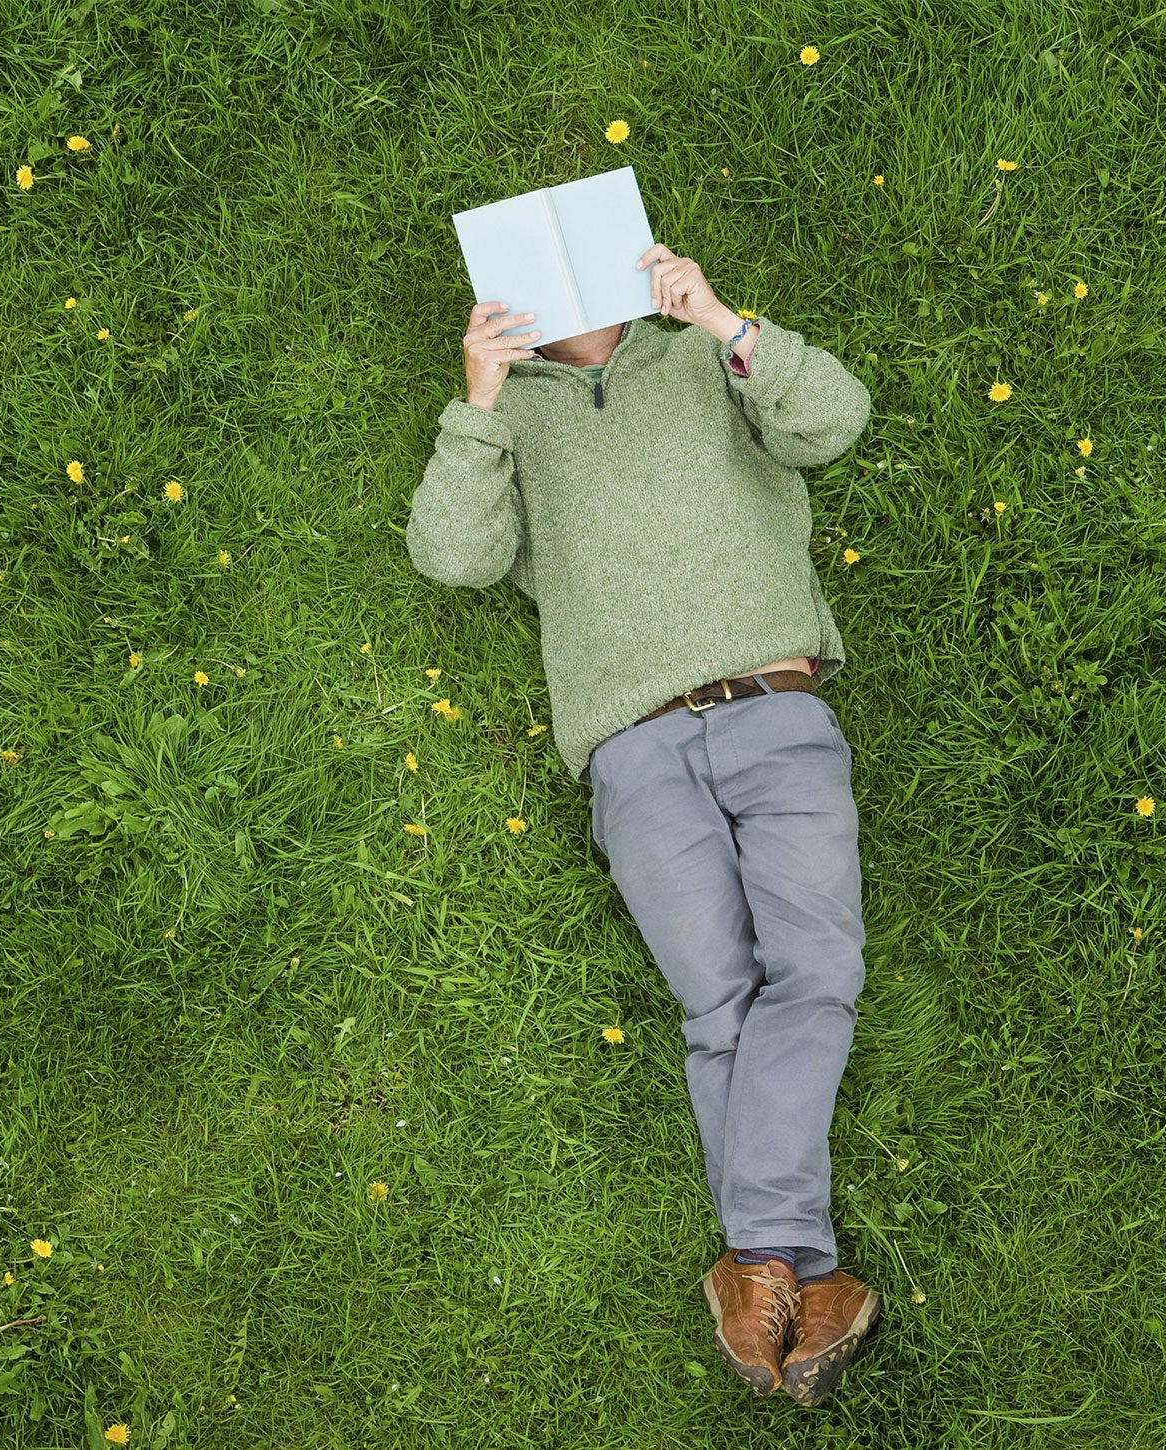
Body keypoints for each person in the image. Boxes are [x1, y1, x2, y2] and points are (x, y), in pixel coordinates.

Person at [405, 242, 878, 1407]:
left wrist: (722, 319)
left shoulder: (697, 363)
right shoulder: (513, 417)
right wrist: (474, 399)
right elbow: (452, 556)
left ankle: (766, 1268)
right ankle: (794, 1276)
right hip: (632, 749)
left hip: (775, 710)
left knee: (811, 971)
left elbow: (835, 420)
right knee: (717, 1004)